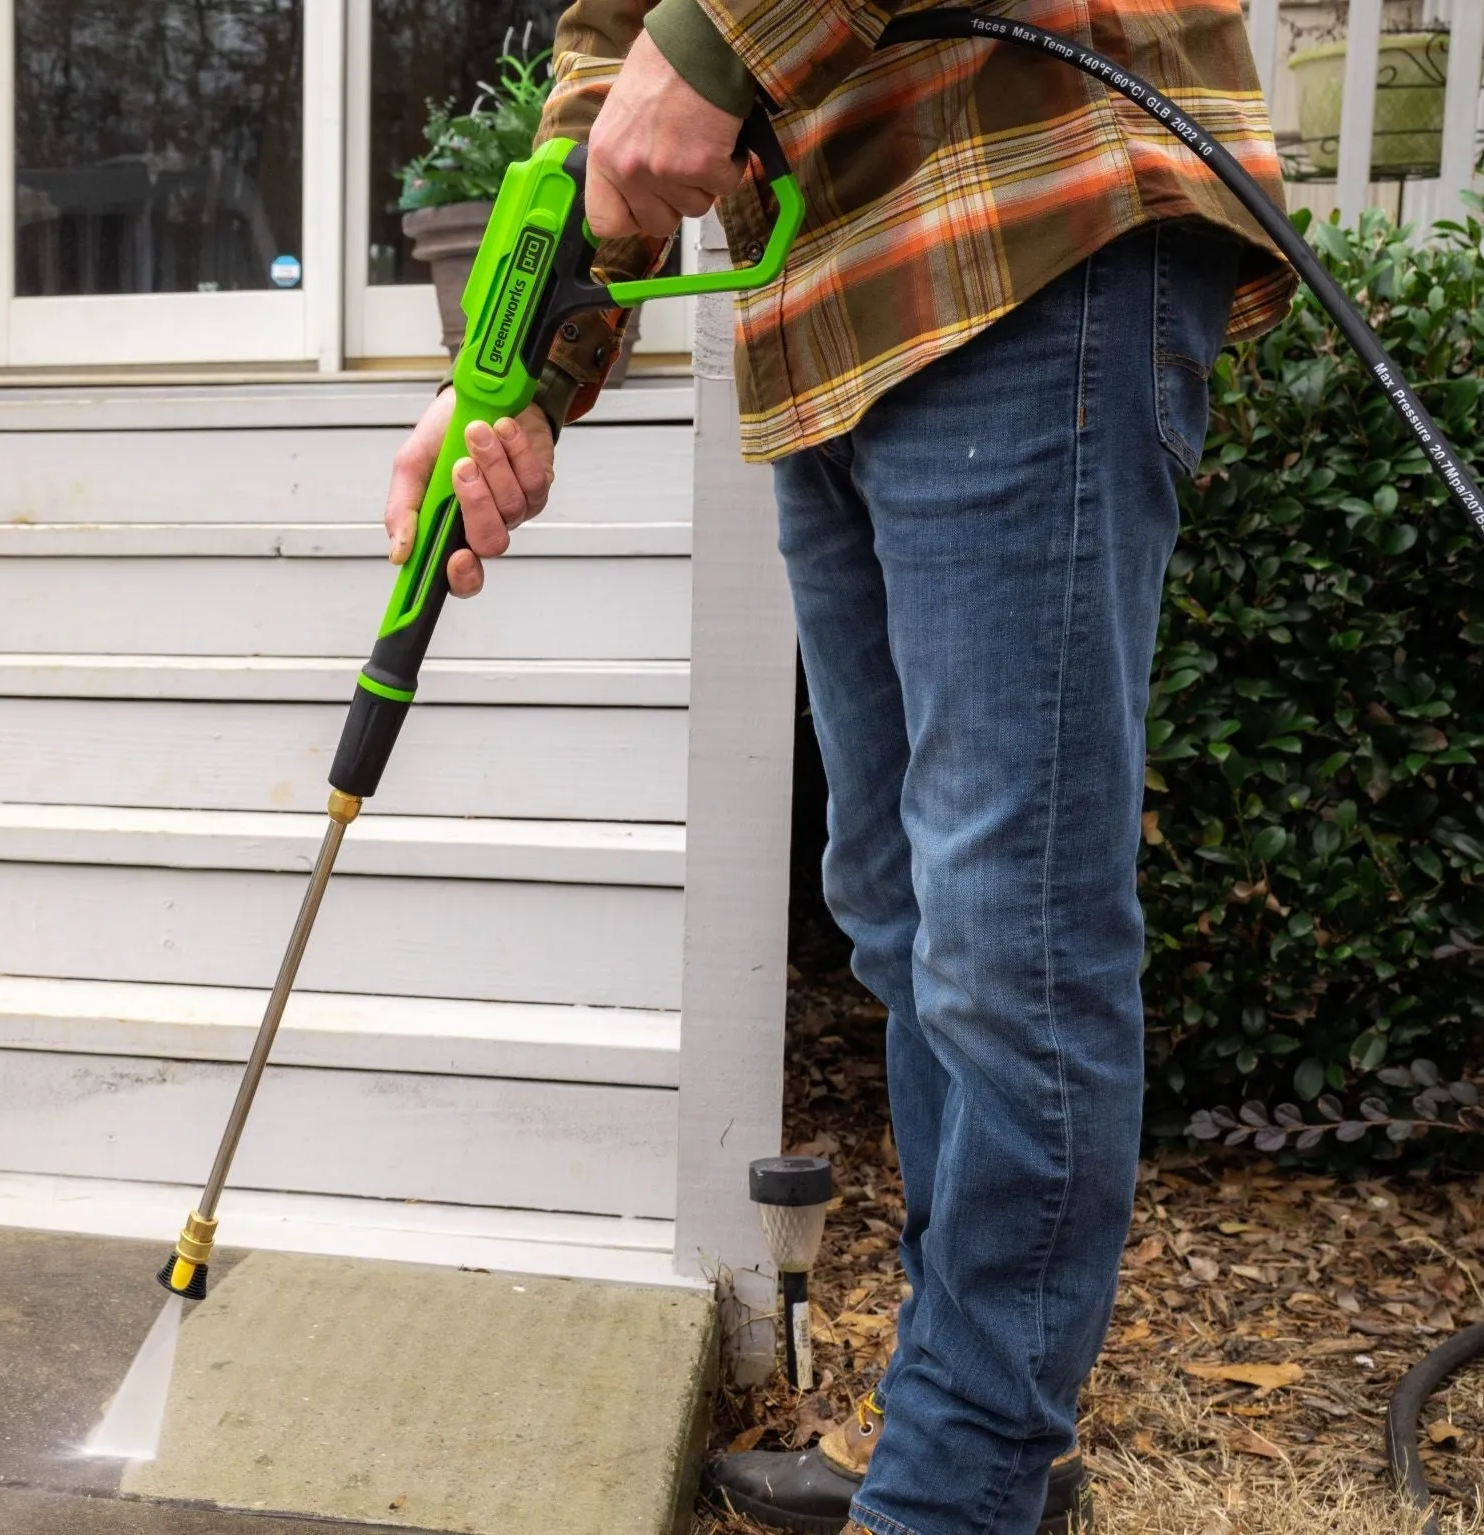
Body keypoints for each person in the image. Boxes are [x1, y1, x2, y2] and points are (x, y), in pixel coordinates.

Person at [386, 0, 1294, 1530]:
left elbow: (675, 47)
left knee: (1008, 936)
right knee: (897, 911)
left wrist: (720, 37)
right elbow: (610, 61)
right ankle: (989, 1436)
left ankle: (957, 1486)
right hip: (829, 301)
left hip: (1022, 205)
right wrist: (519, 370)